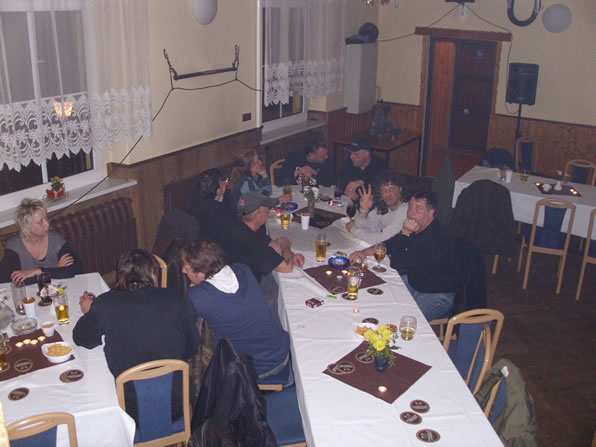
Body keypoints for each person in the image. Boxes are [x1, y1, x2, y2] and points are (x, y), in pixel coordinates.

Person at [73, 249, 200, 424]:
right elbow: (192, 347)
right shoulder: (176, 298)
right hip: (177, 402)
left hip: (128, 411)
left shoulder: (105, 304)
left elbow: (82, 339)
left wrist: (90, 312)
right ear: (153, 274)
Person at [180, 240, 293, 386]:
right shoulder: (243, 270)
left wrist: (197, 289)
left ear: (201, 274)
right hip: (282, 354)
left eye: (186, 268)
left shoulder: (197, 297)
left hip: (254, 370)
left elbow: (185, 331)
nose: (183, 271)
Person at [349, 190, 459, 322]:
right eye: (410, 206)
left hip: (437, 295)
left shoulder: (434, 238)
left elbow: (397, 262)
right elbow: (391, 243)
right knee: (379, 292)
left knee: (402, 320)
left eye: (418, 208)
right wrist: (364, 252)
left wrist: (405, 233)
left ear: (431, 212)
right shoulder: (419, 226)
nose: (411, 212)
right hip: (418, 281)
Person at [186, 170, 304, 282]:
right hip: (242, 285)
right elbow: (286, 267)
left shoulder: (206, 211)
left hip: (215, 269)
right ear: (258, 214)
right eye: (267, 208)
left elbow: (273, 247)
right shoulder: (247, 238)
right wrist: (285, 244)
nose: (269, 211)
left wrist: (283, 251)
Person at [0, 198, 83, 285]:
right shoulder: (14, 247)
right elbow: (8, 280)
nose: (47, 224)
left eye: (46, 218)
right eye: (40, 222)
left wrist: (38, 271)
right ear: (27, 226)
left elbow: (76, 270)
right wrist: (55, 270)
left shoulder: (56, 240)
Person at [346, 170, 408, 244]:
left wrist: (354, 231)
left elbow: (384, 240)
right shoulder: (384, 207)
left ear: (400, 189)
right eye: (383, 190)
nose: (387, 193)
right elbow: (367, 227)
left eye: (391, 189)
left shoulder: (406, 210)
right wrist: (364, 211)